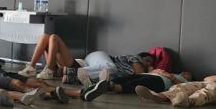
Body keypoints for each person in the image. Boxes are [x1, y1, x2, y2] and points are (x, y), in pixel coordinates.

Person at [19, 33, 154, 84]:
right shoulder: (134, 58)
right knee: (109, 67)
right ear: (141, 58)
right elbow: (138, 73)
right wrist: (149, 68)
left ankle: (38, 68)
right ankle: (40, 68)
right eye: (147, 61)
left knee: (50, 37)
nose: (148, 64)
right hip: (89, 62)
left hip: (78, 66)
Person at [135, 75, 216, 108]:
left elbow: (211, 79)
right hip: (211, 83)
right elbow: (207, 79)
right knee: (185, 86)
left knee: (208, 92)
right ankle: (161, 96)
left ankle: (188, 101)